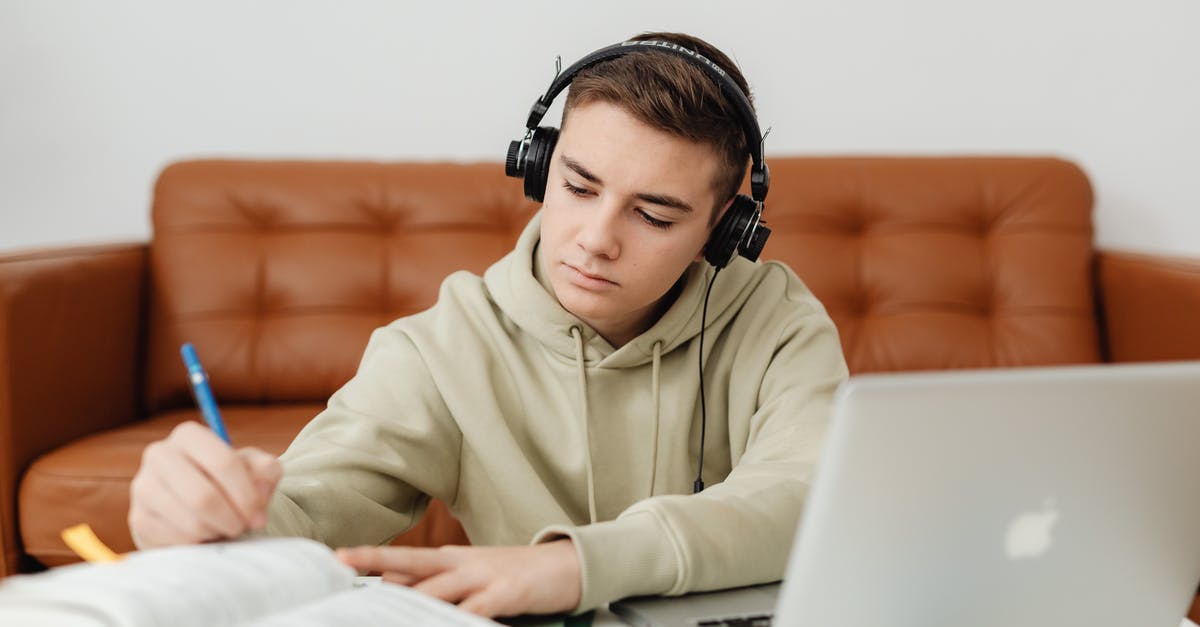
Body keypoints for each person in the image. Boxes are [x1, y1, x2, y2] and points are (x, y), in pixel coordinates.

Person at [127, 31, 848, 618]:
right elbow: (305, 507)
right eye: (576, 185)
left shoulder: (779, 322)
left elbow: (809, 495)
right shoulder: (444, 346)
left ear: (726, 228)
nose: (596, 238)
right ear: (537, 167)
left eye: (654, 214)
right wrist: (204, 517)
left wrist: (573, 565)